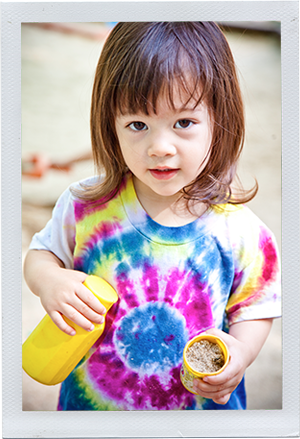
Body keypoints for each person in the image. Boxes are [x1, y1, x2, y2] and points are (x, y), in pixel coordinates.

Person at [24, 22, 281, 411]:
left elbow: (256, 306)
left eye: (184, 123)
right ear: (110, 124)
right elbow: (40, 255)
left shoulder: (241, 233)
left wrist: (241, 352)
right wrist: (50, 280)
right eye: (138, 125)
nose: (160, 147)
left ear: (219, 120)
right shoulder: (85, 205)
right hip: (92, 413)